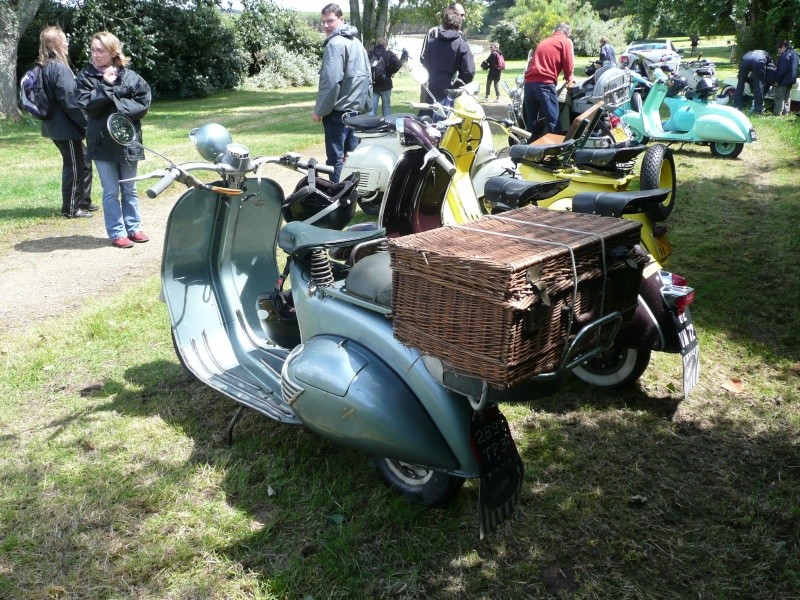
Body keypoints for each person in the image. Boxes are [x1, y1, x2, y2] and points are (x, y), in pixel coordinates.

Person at [75, 31, 151, 249]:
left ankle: (134, 228)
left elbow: (143, 102)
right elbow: (88, 105)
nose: (95, 55)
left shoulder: (130, 76)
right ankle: (117, 233)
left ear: (112, 52)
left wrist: (118, 107)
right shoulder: (85, 77)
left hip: (127, 142)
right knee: (110, 191)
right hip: (101, 142)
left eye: (100, 50)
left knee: (129, 189)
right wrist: (106, 86)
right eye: (93, 50)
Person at [37, 26, 94, 219]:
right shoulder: (59, 68)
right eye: (64, 39)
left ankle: (84, 201)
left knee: (84, 160)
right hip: (65, 128)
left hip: (58, 126)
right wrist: (86, 125)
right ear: (55, 43)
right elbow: (71, 101)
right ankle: (71, 208)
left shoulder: (46, 66)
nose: (67, 43)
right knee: (75, 165)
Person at [313, 3, 372, 183]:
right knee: (352, 157)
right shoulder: (357, 43)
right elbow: (368, 78)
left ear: (341, 20)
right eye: (323, 22)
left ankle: (338, 199)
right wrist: (367, 107)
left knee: (336, 160)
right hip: (355, 113)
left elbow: (331, 82)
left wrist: (319, 110)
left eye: (330, 21)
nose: (326, 26)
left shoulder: (335, 44)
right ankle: (352, 196)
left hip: (338, 114)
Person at [523, 23, 575, 139]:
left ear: (554, 31)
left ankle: (531, 151)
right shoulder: (565, 41)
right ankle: (552, 152)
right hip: (544, 84)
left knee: (532, 122)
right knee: (553, 120)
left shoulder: (544, 41)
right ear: (568, 33)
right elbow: (568, 64)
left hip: (529, 84)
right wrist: (569, 78)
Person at [420, 6, 474, 112]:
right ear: (459, 24)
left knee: (431, 125)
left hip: (433, 94)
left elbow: (425, 64)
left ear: (444, 23)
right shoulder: (461, 45)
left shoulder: (432, 43)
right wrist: (458, 84)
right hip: (453, 95)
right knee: (452, 126)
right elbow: (469, 72)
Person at [369, 38, 402, 117]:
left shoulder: (370, 53)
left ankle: (369, 127)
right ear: (386, 45)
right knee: (386, 108)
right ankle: (387, 127)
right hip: (386, 84)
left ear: (377, 43)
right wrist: (390, 72)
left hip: (373, 85)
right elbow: (398, 63)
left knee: (372, 109)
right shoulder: (388, 54)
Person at [734, 48, 772, 114]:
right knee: (758, 84)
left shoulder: (750, 52)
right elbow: (770, 71)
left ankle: (737, 106)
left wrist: (743, 77)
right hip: (759, 61)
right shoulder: (767, 56)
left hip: (746, 59)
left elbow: (741, 75)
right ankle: (758, 109)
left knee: (740, 82)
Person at [772, 40, 798, 116]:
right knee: (787, 97)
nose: (778, 52)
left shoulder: (785, 55)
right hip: (791, 79)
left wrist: (777, 80)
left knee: (779, 97)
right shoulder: (795, 54)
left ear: (783, 47)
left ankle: (777, 113)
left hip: (783, 80)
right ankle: (785, 113)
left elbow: (781, 70)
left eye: (779, 50)